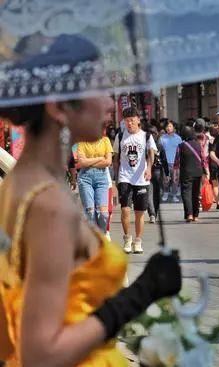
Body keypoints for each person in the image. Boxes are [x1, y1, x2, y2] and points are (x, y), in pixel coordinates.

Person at [0, 35, 181, 364]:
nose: (109, 103)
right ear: (59, 106)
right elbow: (40, 353)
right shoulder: (49, 205)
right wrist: (141, 294)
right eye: (98, 87)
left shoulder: (21, 180)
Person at [113, 106, 157, 254]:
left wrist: (149, 169)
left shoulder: (146, 136)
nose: (129, 123)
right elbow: (116, 158)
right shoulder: (120, 136)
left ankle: (138, 241)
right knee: (125, 210)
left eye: (132, 120)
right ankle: (127, 239)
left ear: (138, 120)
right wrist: (116, 177)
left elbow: (152, 154)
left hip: (141, 179)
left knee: (139, 213)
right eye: (126, 121)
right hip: (125, 177)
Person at [75, 123, 113, 232]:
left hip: (101, 178)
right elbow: (81, 162)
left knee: (103, 213)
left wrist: (89, 162)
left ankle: (102, 237)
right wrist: (100, 158)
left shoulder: (106, 141)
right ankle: (92, 240)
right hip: (85, 178)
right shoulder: (82, 142)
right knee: (90, 212)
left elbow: (108, 162)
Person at [173, 126, 208, 222]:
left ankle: (189, 214)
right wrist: (206, 172)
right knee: (196, 193)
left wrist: (175, 175)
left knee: (186, 194)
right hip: (198, 172)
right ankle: (196, 215)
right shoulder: (198, 144)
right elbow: (203, 159)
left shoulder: (181, 146)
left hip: (186, 173)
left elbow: (177, 162)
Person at [146, 124, 169, 224]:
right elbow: (164, 160)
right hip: (157, 171)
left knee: (149, 194)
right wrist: (167, 173)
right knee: (157, 193)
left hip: (148, 171)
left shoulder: (144, 144)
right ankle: (154, 212)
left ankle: (152, 214)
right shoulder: (159, 145)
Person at [159, 120, 182, 203]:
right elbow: (160, 151)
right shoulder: (162, 138)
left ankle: (174, 195)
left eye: (170, 126)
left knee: (175, 180)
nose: (168, 128)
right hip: (166, 163)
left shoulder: (178, 138)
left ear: (174, 128)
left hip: (176, 163)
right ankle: (165, 193)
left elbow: (180, 151)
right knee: (165, 179)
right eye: (167, 126)